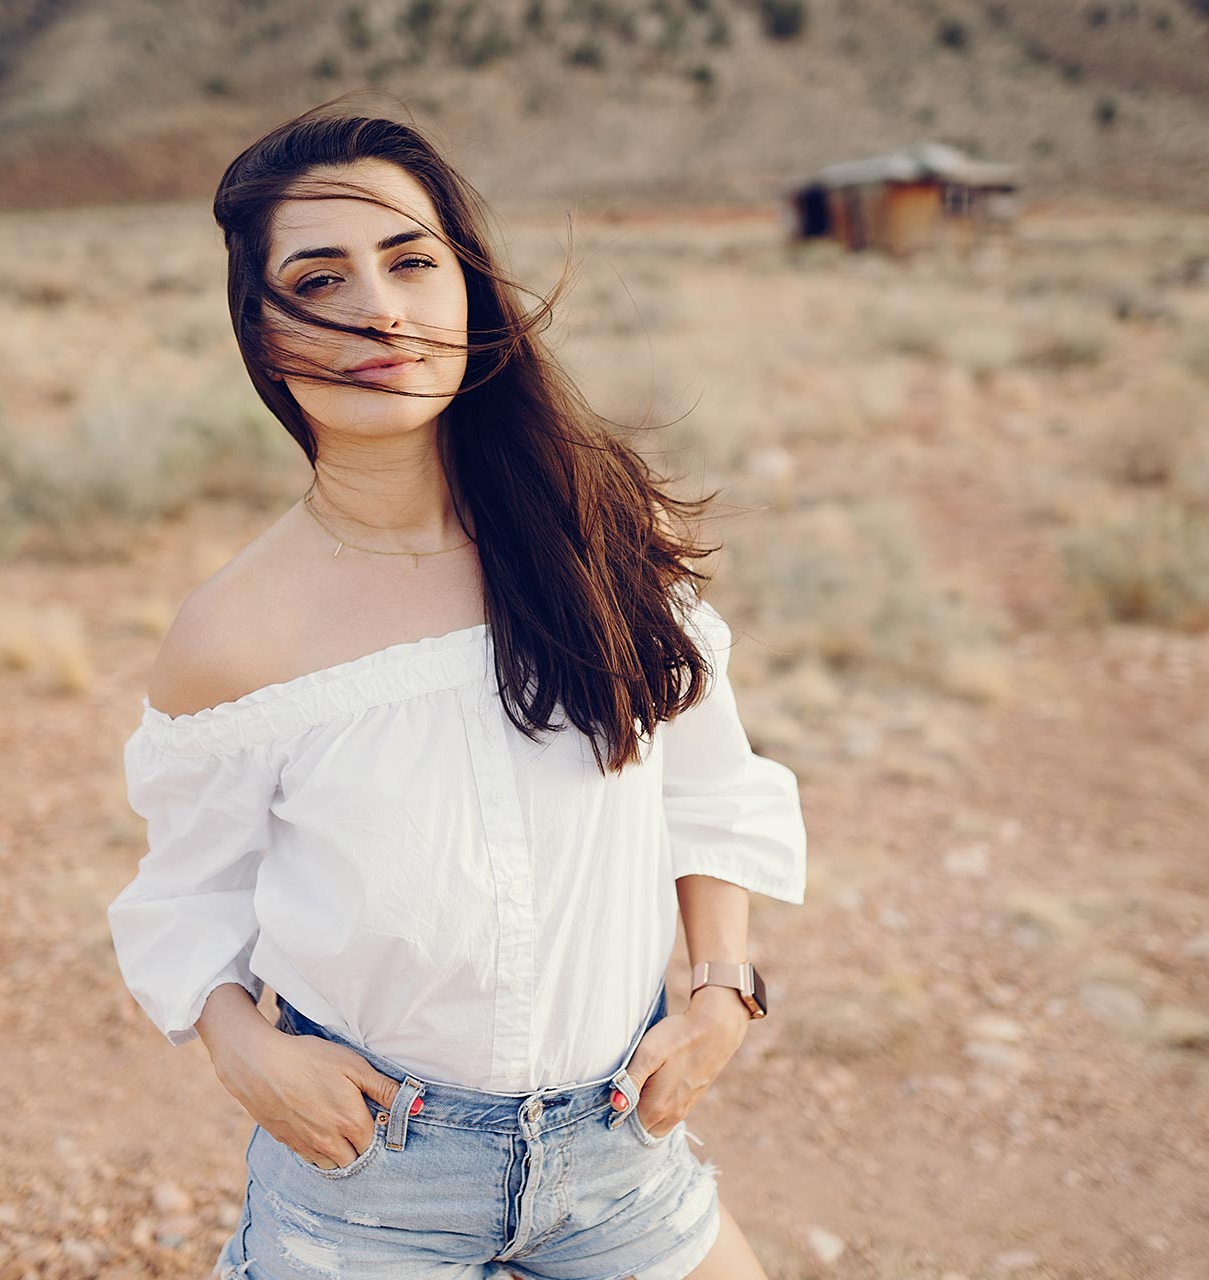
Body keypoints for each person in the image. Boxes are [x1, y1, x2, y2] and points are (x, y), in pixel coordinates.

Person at [106, 98, 807, 1280]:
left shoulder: (593, 537)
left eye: (412, 261)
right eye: (318, 280)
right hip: (370, 1184)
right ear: (263, 333)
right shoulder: (235, 632)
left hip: (620, 1151)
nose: (378, 306)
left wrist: (723, 986)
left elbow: (710, 784)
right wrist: (245, 1052)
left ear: (467, 292)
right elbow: (186, 897)